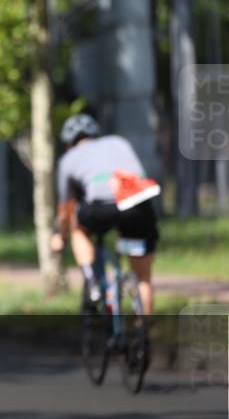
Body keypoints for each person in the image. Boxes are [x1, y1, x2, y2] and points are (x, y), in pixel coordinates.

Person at [51, 113, 160, 316]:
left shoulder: (68, 159)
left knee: (79, 229)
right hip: (137, 204)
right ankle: (143, 337)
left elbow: (65, 208)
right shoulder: (118, 142)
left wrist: (60, 235)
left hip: (100, 207)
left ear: (68, 143)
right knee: (144, 277)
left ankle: (92, 282)